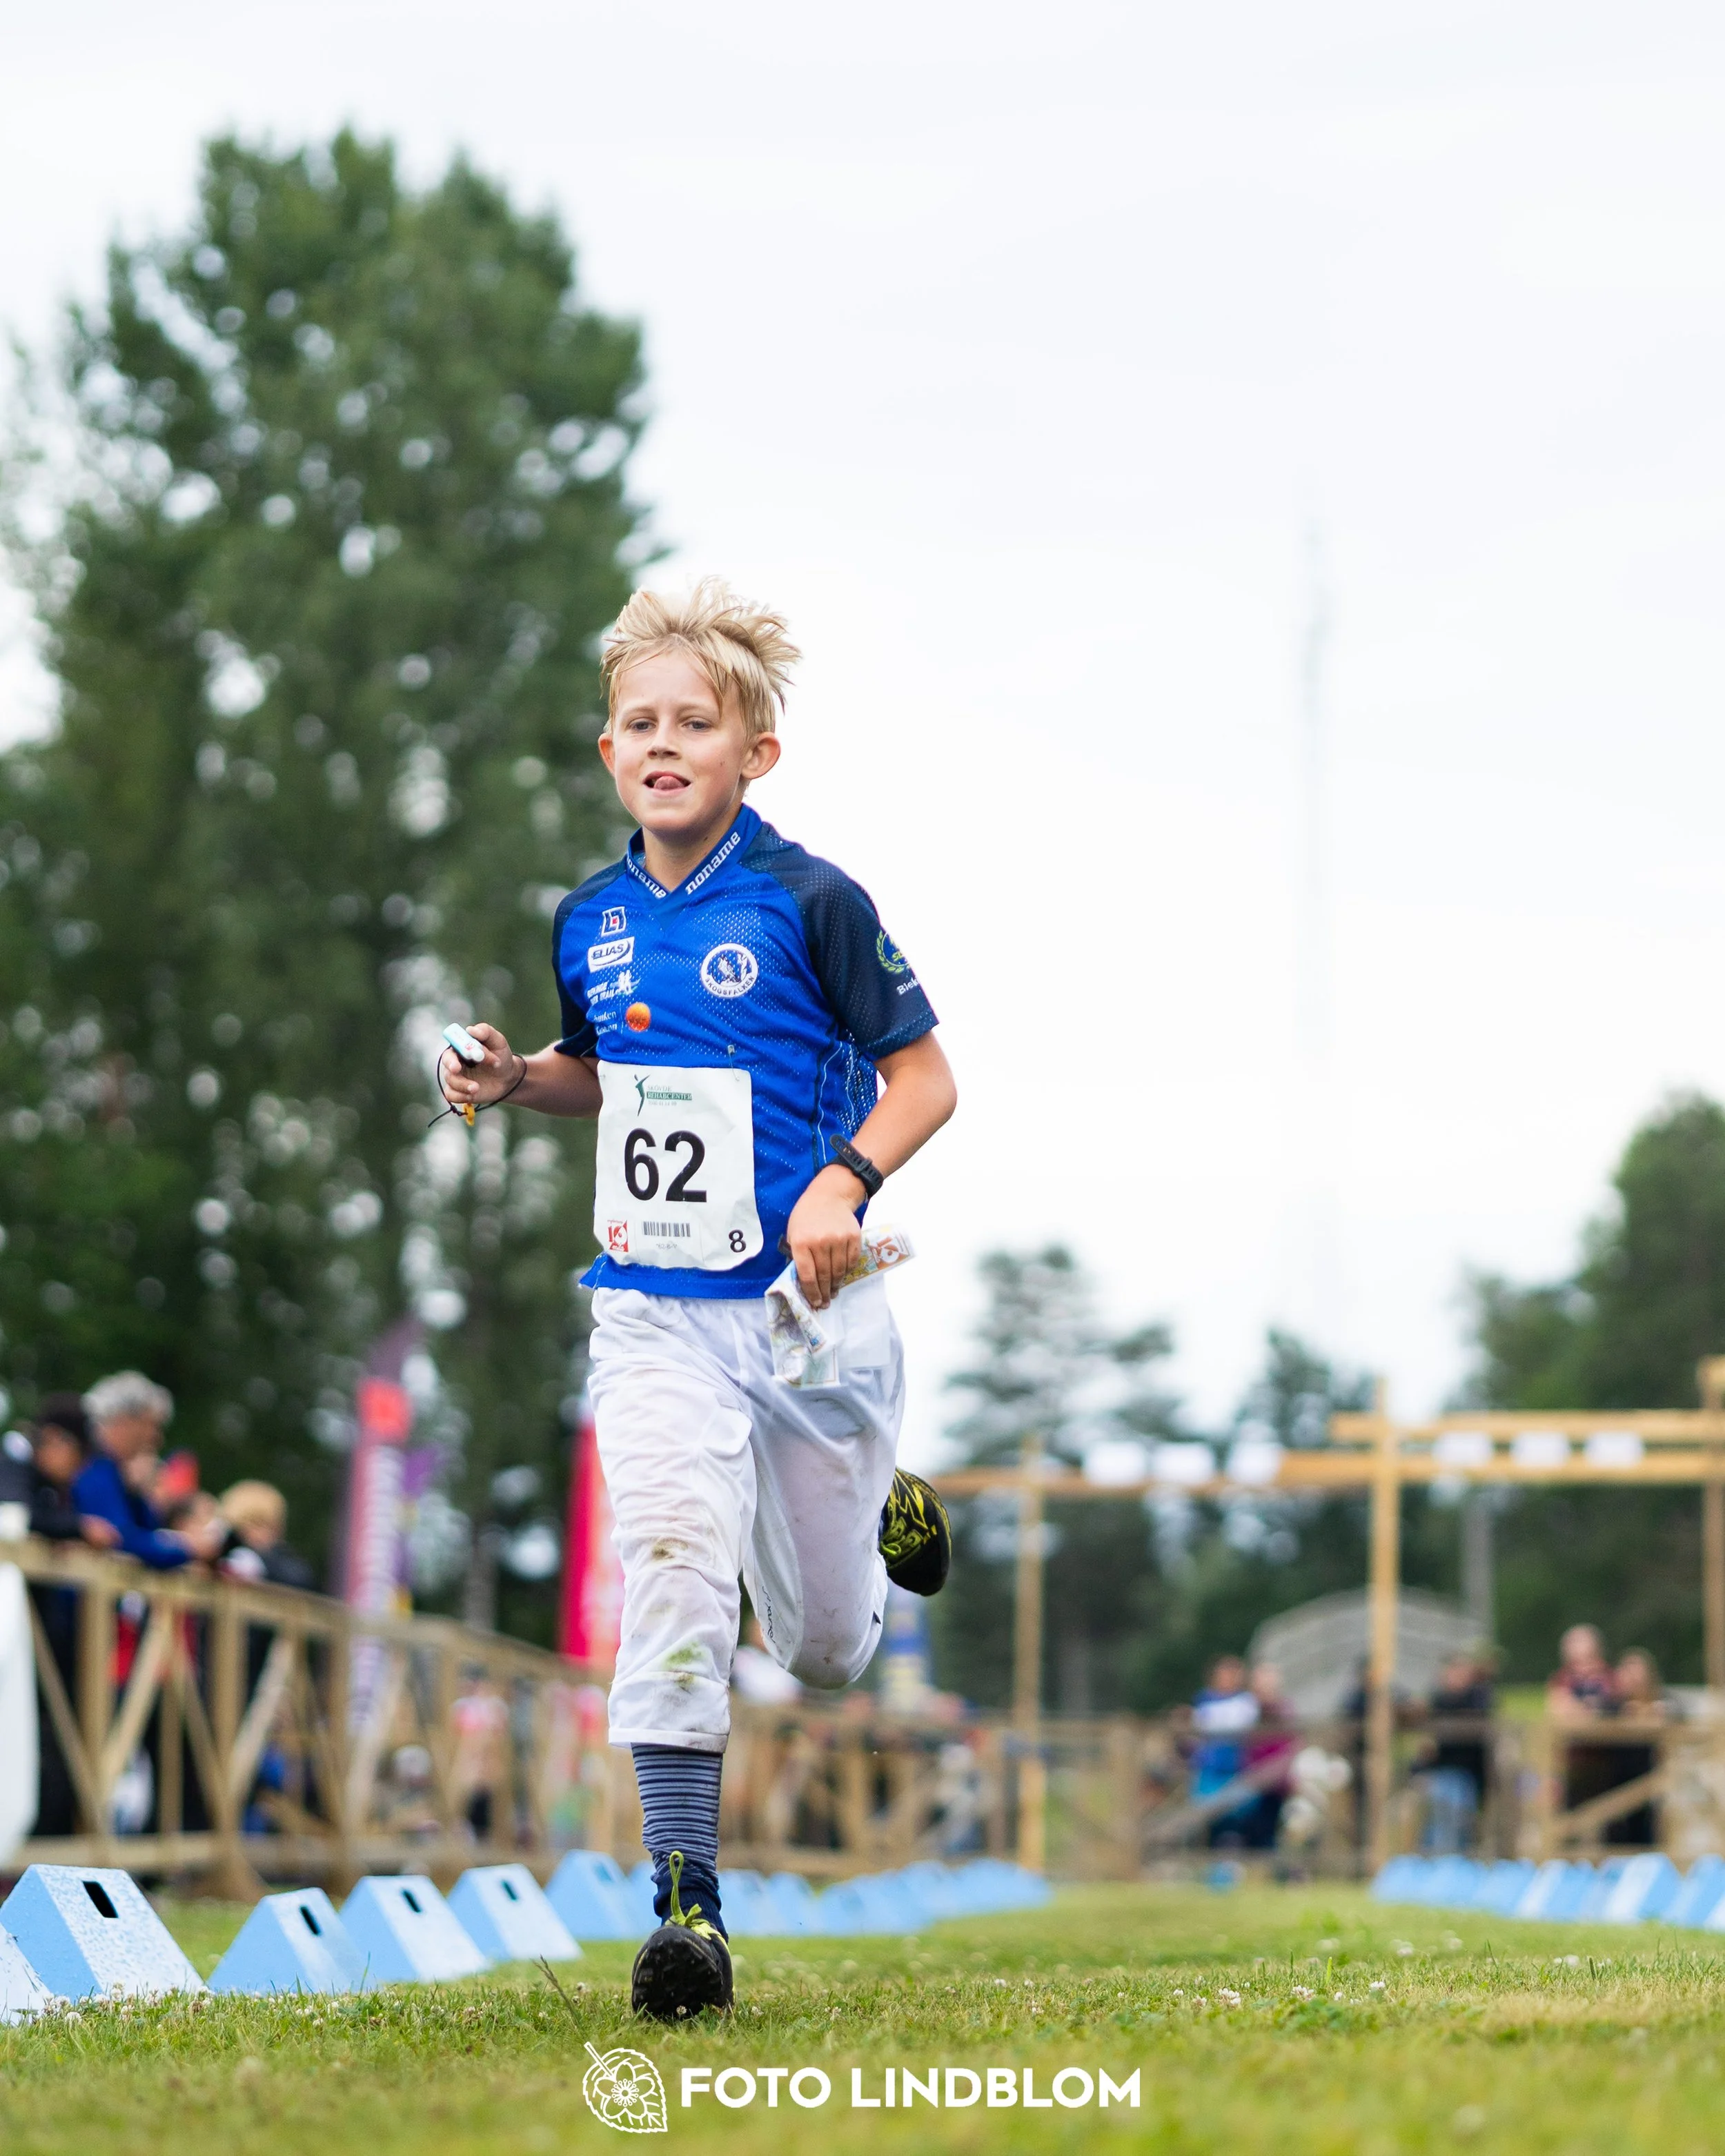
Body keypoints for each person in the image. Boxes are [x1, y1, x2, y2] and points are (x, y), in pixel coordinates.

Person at [439, 580, 958, 2021]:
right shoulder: (588, 916)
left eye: (695, 722)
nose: (663, 742)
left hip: (803, 1314)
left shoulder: (813, 900)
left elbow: (926, 1076)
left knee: (824, 1649)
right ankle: (685, 1904)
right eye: (638, 722)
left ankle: (876, 1498)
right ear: (606, 751)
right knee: (668, 1560)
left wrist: (841, 1181)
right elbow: (601, 1070)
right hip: (653, 1305)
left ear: (754, 751)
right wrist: (510, 1077)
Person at [72, 1372, 221, 1568]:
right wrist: (186, 1548)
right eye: (152, 1426)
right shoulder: (93, 1467)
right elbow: (120, 1539)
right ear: (125, 1420)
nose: (156, 1439)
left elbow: (146, 1529)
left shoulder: (111, 1471)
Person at [1417, 1651, 1494, 1855]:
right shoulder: (1439, 1700)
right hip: (1443, 1771)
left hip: (1469, 1772)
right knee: (1442, 1814)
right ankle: (1440, 1858)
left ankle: (1454, 1859)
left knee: (1460, 1816)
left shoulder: (1477, 1697)